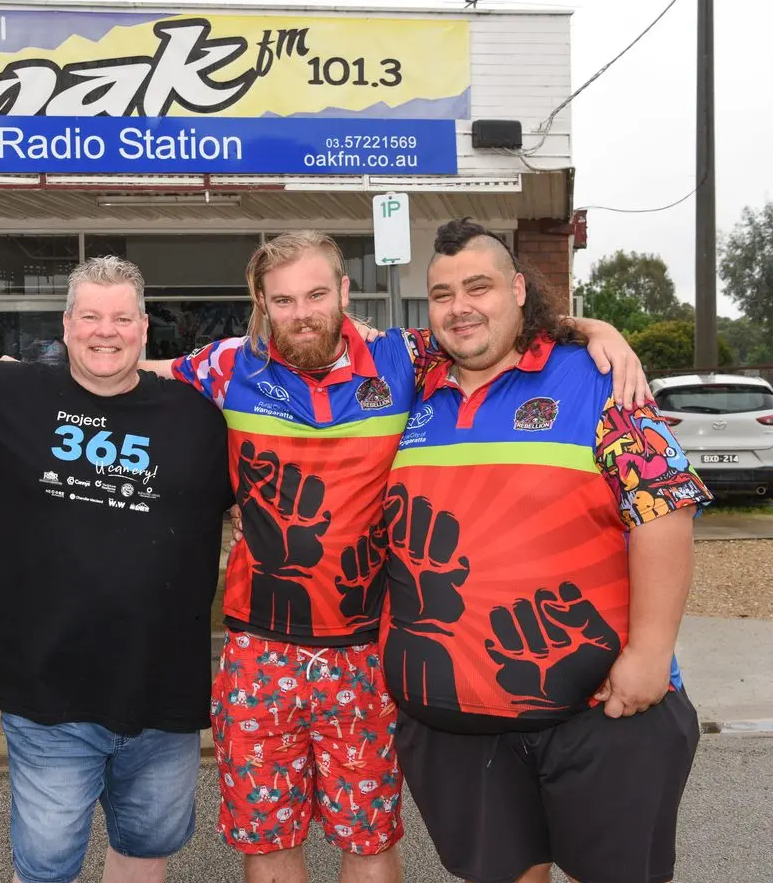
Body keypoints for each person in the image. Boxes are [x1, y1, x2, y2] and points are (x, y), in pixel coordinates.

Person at [156, 230, 649, 883]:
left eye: (315, 294)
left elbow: (496, 328)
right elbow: (127, 366)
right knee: (267, 839)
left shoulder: (405, 357)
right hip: (259, 648)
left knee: (368, 836)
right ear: (260, 302)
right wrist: (36, 375)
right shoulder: (226, 365)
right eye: (282, 300)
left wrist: (598, 328)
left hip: (365, 648)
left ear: (344, 292)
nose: (300, 312)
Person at [0, 255, 234, 883]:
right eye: (90, 315)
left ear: (144, 328)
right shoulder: (7, 393)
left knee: (147, 848)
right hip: (47, 692)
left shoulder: (200, 418)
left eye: (121, 317)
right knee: (46, 867)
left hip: (163, 690)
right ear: (66, 325)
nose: (105, 330)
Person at [379, 218, 710, 883]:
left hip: (604, 714)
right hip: (457, 723)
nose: (460, 306)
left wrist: (649, 652)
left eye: (480, 287)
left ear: (520, 289)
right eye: (441, 293)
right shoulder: (407, 382)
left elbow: (663, 506)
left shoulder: (594, 378)